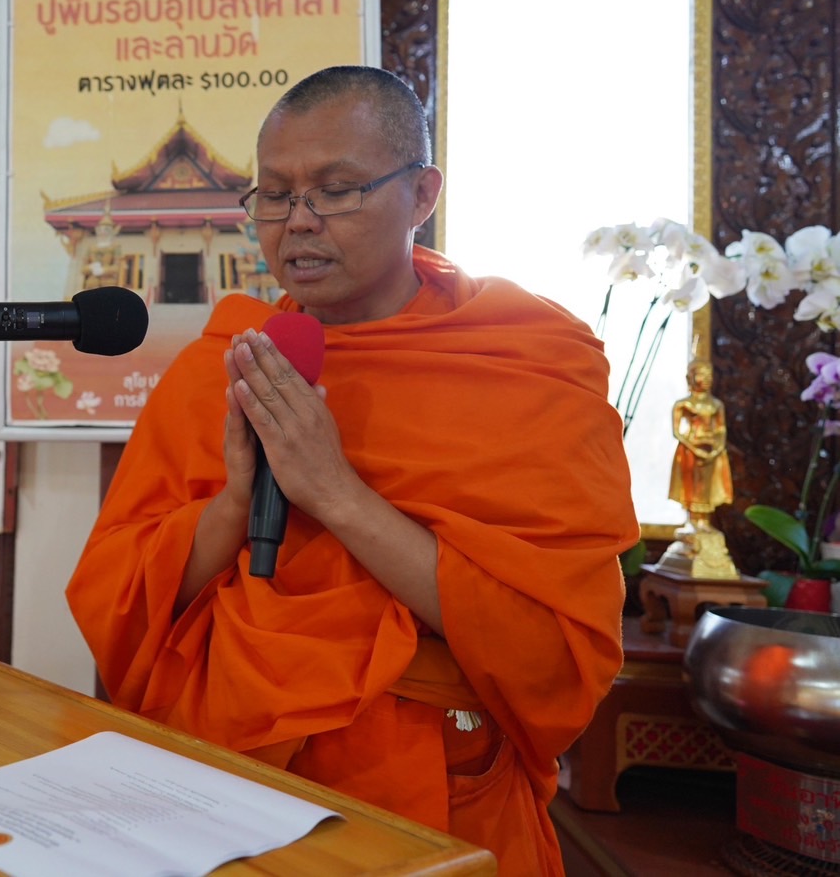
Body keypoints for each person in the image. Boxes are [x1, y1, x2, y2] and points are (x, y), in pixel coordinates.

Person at [66, 65, 639, 874]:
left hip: (430, 789)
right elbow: (119, 599)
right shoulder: (224, 362)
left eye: (335, 190)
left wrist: (333, 492)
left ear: (422, 194)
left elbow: (549, 648)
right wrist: (236, 502)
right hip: (222, 779)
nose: (296, 223)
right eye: (273, 194)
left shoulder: (525, 359)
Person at [668, 357, 733, 526]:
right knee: (691, 487)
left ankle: (704, 523)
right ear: (690, 377)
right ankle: (693, 522)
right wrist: (695, 449)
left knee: (709, 488)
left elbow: (721, 429)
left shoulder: (716, 404)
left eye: (709, 375)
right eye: (701, 375)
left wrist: (717, 449)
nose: (706, 379)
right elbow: (676, 431)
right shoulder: (683, 404)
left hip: (712, 449)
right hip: (691, 448)